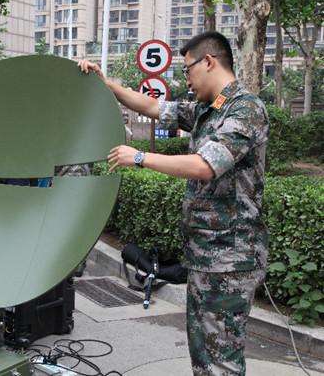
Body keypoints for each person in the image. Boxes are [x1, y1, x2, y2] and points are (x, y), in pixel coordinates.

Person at [79, 31, 269, 376]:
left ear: (208, 61)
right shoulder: (206, 110)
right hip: (207, 255)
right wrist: (107, 85)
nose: (186, 80)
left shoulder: (245, 109)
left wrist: (139, 157)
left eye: (187, 70)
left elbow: (204, 166)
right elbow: (152, 106)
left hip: (230, 258)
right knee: (204, 353)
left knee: (221, 358)